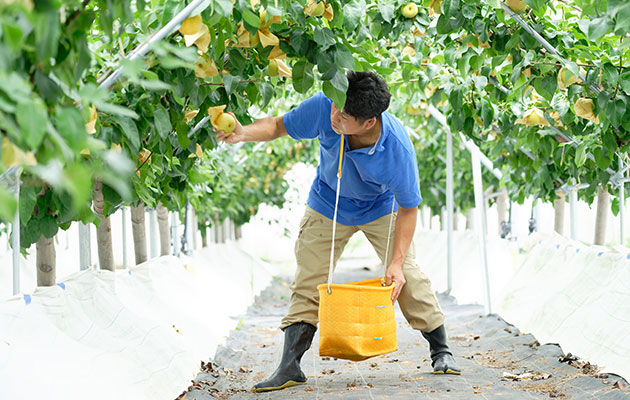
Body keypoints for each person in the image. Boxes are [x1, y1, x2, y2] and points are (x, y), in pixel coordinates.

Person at [215, 71, 460, 393]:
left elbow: (409, 208)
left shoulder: (397, 151)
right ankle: (290, 366)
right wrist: (243, 133)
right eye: (334, 107)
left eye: (343, 116)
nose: (333, 116)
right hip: (327, 202)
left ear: (369, 122)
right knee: (308, 279)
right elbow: (278, 126)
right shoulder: (327, 104)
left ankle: (441, 350)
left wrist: (396, 263)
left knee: (406, 275)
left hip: (379, 208)